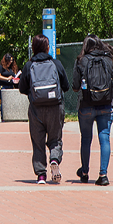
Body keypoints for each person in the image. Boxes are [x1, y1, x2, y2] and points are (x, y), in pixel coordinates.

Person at [72, 34, 113, 186]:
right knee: (104, 139)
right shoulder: (108, 60)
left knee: (86, 139)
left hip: (86, 105)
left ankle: (84, 173)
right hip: (106, 105)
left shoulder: (81, 61)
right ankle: (103, 175)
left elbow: (75, 87)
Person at [18, 34, 70, 185]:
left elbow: (22, 88)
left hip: (36, 109)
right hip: (55, 107)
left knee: (38, 141)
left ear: (33, 48)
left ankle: (41, 175)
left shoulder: (29, 65)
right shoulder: (56, 64)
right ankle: (54, 159)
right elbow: (66, 86)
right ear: (47, 48)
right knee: (55, 139)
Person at [0, 53, 19, 121]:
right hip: (3, 85)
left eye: (12, 60)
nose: (11, 62)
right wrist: (6, 79)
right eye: (9, 60)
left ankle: (10, 116)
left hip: (10, 85)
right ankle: (3, 117)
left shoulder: (12, 68)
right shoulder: (1, 67)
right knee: (4, 101)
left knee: (10, 101)